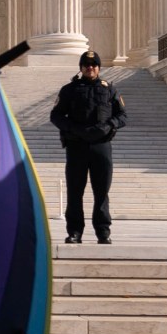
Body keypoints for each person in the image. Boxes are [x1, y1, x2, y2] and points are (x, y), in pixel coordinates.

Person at [51, 50, 124, 245]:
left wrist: (109, 125)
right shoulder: (69, 90)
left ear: (98, 67)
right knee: (75, 191)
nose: (90, 68)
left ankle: (103, 232)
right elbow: (55, 115)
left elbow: (122, 115)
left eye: (93, 64)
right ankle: (75, 232)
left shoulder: (109, 89)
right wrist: (73, 128)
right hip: (77, 146)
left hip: (101, 146)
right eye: (86, 65)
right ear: (81, 68)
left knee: (102, 192)